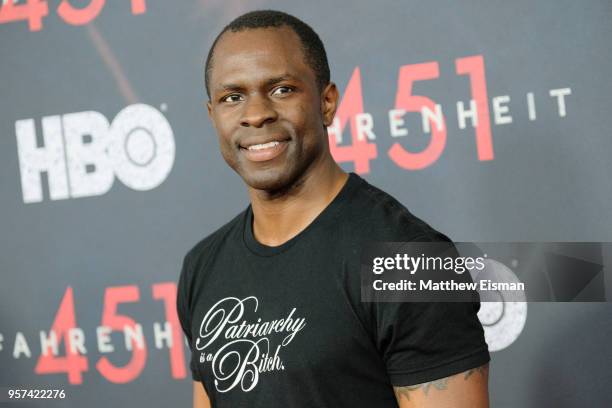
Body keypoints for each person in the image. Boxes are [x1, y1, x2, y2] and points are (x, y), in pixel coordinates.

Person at [177, 9, 490, 408]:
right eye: (232, 97)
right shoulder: (203, 266)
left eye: (281, 89)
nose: (256, 114)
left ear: (327, 102)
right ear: (212, 116)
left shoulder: (411, 261)